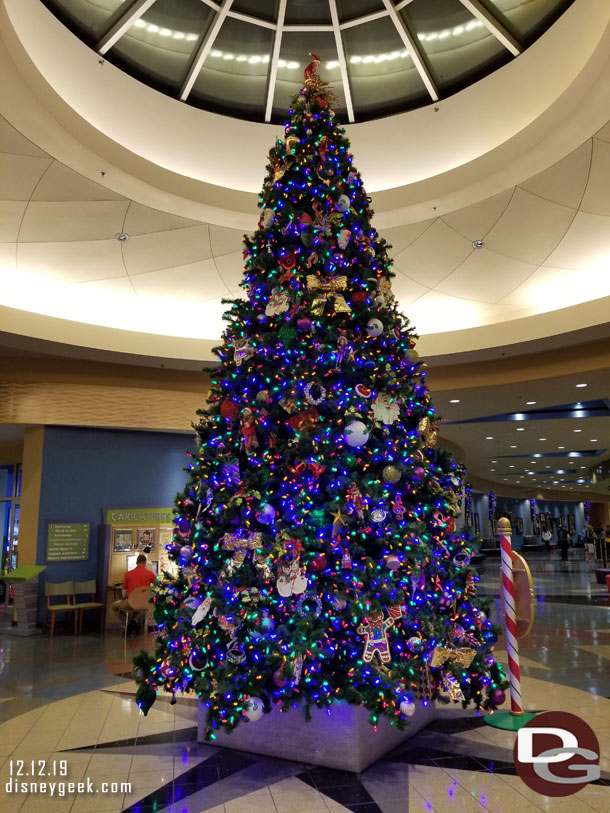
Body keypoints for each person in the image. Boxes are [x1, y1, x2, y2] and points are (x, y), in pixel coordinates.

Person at [113, 553, 156, 634]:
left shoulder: (128, 574)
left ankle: (129, 624)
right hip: (144, 603)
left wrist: (125, 597)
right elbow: (158, 584)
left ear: (136, 562)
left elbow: (124, 593)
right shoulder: (150, 574)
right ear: (145, 562)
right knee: (139, 608)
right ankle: (134, 624)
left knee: (114, 606)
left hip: (131, 603)